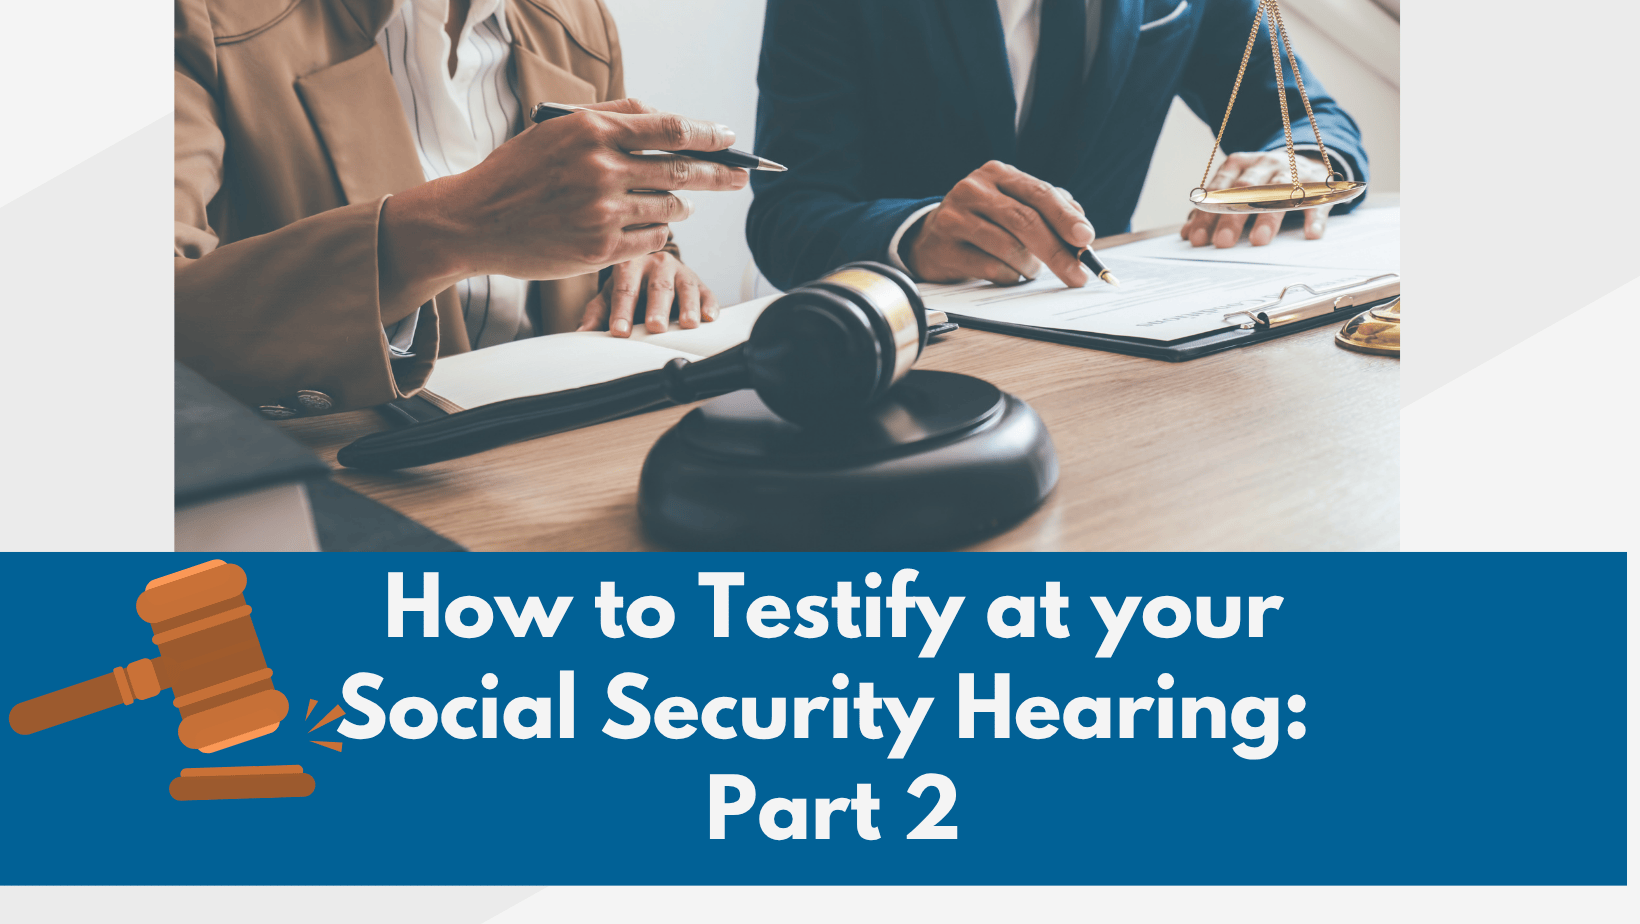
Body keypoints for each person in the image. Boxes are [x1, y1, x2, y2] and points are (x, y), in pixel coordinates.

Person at [176, 0, 743, 418]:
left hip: (555, 457)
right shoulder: (194, 19)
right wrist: (450, 230)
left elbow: (595, 202)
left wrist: (645, 258)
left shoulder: (579, 22)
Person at [746, 0, 1369, 291]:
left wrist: (1299, 166)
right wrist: (915, 233)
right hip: (920, 351)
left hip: (1118, 329)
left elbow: (1309, 122)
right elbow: (787, 213)